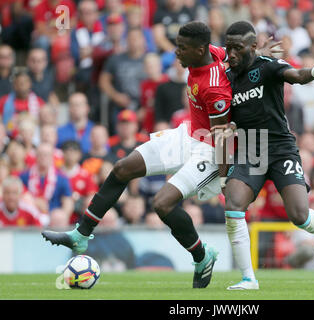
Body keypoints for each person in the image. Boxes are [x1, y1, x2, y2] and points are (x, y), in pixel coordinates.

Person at [42, 22, 232, 289]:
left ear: (199, 50)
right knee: (122, 168)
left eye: (182, 48)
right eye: (176, 45)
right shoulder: (210, 51)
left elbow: (222, 137)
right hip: (188, 134)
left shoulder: (215, 87)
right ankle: (81, 234)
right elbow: (230, 52)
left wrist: (226, 180)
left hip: (211, 148)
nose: (176, 53)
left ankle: (202, 257)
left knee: (162, 204)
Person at [210, 21, 314, 290]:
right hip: (250, 149)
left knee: (299, 215)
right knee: (233, 205)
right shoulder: (226, 78)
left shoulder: (267, 65)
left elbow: (297, 76)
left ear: (252, 47)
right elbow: (224, 124)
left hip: (280, 148)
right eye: (228, 48)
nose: (230, 54)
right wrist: (223, 174)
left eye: (237, 48)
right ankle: (248, 278)